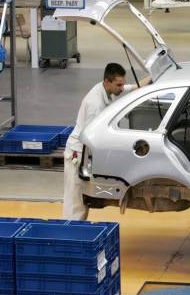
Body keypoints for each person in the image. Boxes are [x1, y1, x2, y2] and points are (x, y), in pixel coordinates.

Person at [63, 63, 150, 220]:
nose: (122, 88)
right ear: (107, 81)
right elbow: (90, 139)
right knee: (75, 200)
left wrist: (152, 76)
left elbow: (131, 87)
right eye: (119, 85)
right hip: (78, 154)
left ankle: (76, 230)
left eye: (122, 83)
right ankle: (70, 234)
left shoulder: (107, 89)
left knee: (81, 200)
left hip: (84, 151)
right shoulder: (95, 104)